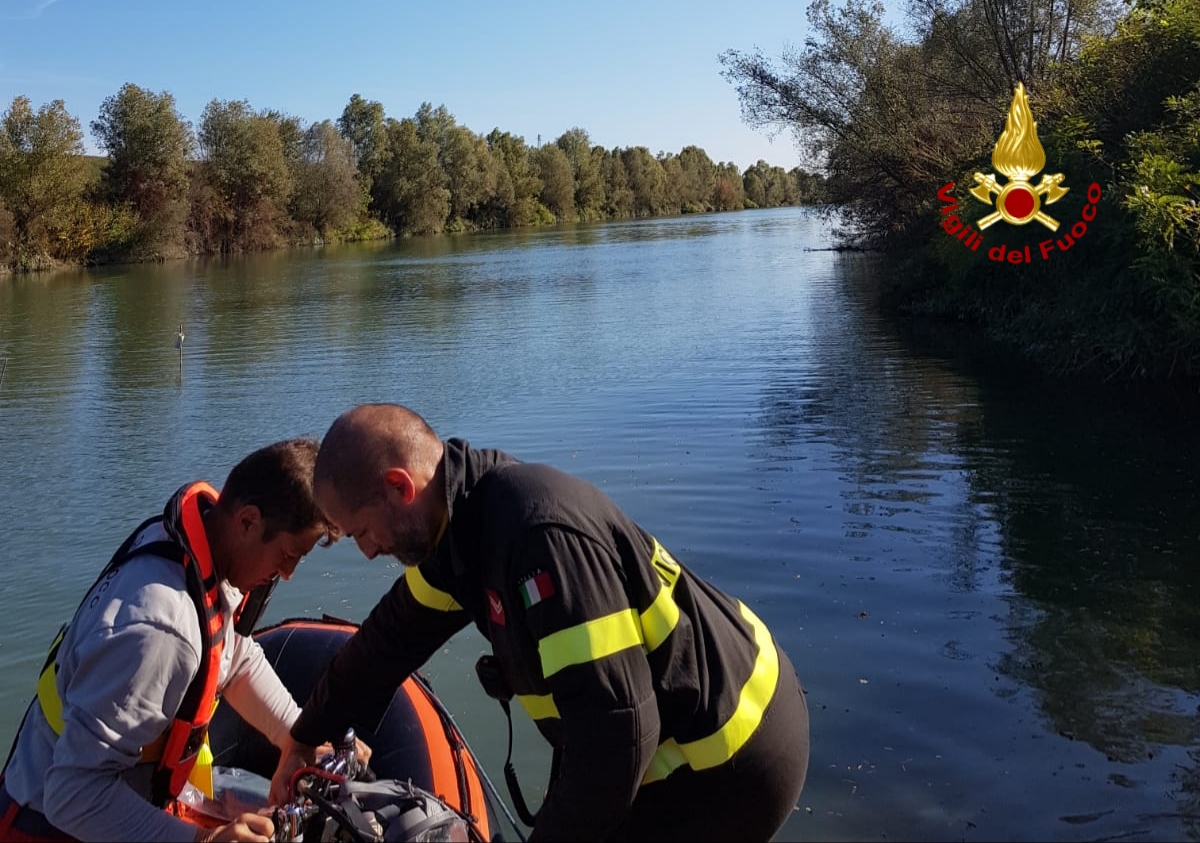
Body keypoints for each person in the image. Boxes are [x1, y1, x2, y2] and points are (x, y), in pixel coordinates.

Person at [271, 404, 810, 842]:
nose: (366, 551)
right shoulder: (456, 537)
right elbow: (381, 647)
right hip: (660, 739)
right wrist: (302, 737)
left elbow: (617, 737)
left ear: (399, 487)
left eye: (362, 531)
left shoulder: (537, 539)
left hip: (732, 752)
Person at [0, 438, 356, 843]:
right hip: (48, 825)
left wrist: (297, 738)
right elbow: (73, 794)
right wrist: (204, 841)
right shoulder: (160, 632)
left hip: (119, 800)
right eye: (288, 554)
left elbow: (235, 657)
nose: (288, 573)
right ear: (247, 521)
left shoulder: (201, 549)